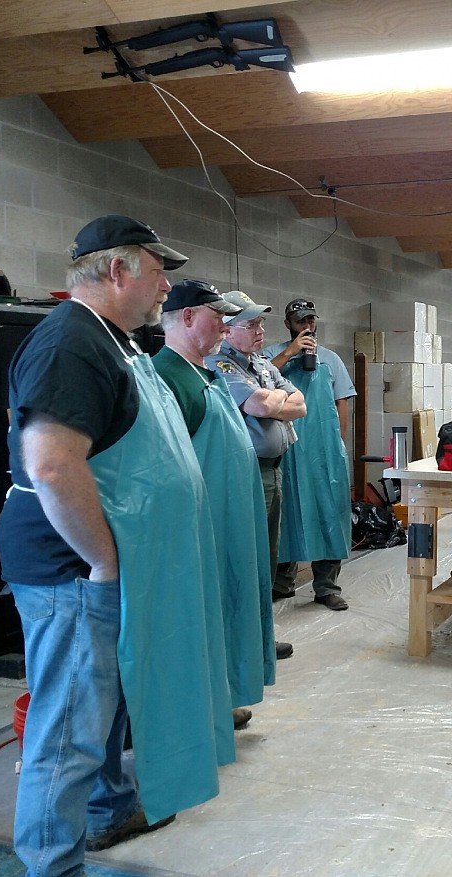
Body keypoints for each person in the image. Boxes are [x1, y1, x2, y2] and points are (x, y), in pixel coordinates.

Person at [0, 215, 235, 877]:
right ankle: (52, 866)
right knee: (68, 730)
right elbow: (51, 464)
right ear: (117, 269)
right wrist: (104, 560)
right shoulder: (71, 343)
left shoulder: (114, 339)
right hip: (71, 569)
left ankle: (93, 824)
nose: (167, 284)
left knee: (95, 715)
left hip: (97, 569)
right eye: (158, 268)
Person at [152, 280, 284, 731]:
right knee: (202, 614)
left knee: (227, 607)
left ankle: (220, 694)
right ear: (188, 317)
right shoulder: (168, 378)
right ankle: (200, 709)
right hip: (202, 523)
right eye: (218, 317)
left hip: (229, 519)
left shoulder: (204, 373)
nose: (225, 327)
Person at [206, 293, 307, 617]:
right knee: (248, 551)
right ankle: (245, 627)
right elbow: (260, 405)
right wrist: (276, 402)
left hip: (275, 469)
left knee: (268, 552)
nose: (260, 331)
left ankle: (261, 628)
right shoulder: (219, 363)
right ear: (227, 330)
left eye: (261, 323)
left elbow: (300, 405)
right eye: (251, 325)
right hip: (248, 470)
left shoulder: (261, 363)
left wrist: (271, 402)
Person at [262, 298, 356, 611]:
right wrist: (289, 353)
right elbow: (256, 382)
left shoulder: (330, 359)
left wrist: (338, 443)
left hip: (322, 453)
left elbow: (342, 401)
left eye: (311, 321)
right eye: (300, 321)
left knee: (328, 513)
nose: (307, 327)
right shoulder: (269, 356)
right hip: (286, 450)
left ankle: (327, 587)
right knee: (283, 516)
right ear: (288, 323)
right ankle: (282, 584)